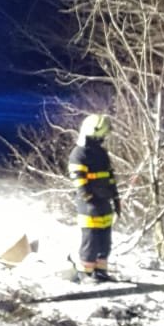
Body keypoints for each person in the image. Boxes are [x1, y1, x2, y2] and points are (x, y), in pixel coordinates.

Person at [68, 113, 122, 281]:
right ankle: (85, 274)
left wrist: (116, 199)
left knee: (105, 242)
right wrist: (90, 198)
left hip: (104, 204)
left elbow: (110, 178)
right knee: (90, 241)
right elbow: (79, 181)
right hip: (90, 206)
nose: (105, 137)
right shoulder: (79, 154)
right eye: (103, 134)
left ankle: (100, 272)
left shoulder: (101, 153)